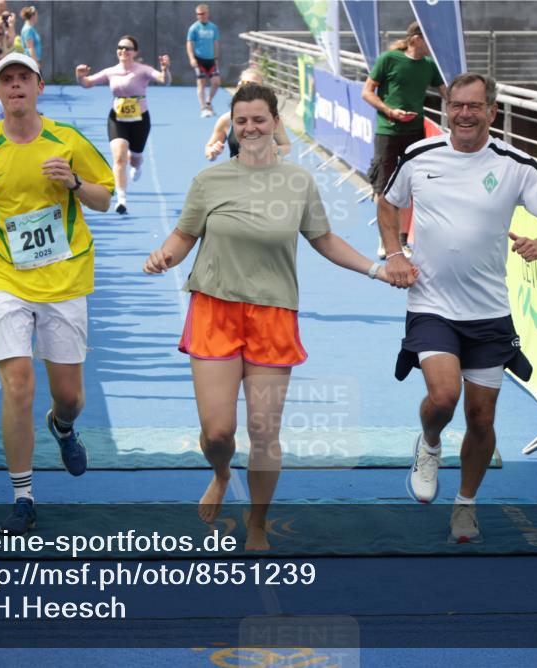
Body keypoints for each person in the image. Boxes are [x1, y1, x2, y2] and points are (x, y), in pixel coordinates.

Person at [143, 83, 412, 550]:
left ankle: (257, 523)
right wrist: (164, 256)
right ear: (232, 125)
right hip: (214, 309)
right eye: (241, 121)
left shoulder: (298, 182)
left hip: (273, 315)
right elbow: (183, 236)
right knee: (218, 433)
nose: (250, 128)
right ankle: (221, 474)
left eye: (258, 119)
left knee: (264, 431)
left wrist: (377, 268)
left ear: (274, 123)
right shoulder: (209, 181)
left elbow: (324, 239)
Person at [380, 73, 537, 543]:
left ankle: (465, 505)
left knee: (482, 418)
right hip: (431, 304)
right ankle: (430, 444)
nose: (464, 114)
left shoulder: (515, 164)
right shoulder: (419, 155)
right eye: (457, 105)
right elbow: (388, 204)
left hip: (489, 313)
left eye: (474, 106)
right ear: (446, 109)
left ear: (492, 111)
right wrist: (393, 253)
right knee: (444, 397)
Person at [0, 53, 115, 536]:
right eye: (7, 80)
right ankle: (22, 497)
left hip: (64, 276)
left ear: (38, 88)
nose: (15, 86)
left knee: (69, 396)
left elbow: (104, 197)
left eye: (23, 79)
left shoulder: (67, 141)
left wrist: (75, 183)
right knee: (17, 384)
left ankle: (63, 425)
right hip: (3, 275)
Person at [362, 21, 447, 259]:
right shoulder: (389, 59)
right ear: (415, 39)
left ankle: (402, 240)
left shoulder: (429, 66)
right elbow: (366, 92)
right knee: (384, 189)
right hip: (387, 133)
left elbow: (448, 94)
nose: (434, 44)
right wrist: (390, 111)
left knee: (411, 187)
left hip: (415, 134)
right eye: (429, 38)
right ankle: (385, 240)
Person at [75, 36, 170, 214]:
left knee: (135, 158)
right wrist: (80, 76)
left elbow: (164, 80)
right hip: (117, 119)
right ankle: (121, 199)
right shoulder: (111, 71)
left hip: (140, 120)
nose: (123, 51)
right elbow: (87, 83)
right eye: (120, 47)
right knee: (119, 157)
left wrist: (165, 70)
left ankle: (137, 164)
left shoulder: (143, 70)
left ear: (135, 52)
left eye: (127, 48)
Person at [204, 69, 290, 161]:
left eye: (255, 86)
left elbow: (286, 146)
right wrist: (213, 152)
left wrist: (277, 150)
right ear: (238, 88)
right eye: (244, 84)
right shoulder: (226, 120)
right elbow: (209, 150)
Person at [187, 4, 221, 117]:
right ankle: (203, 108)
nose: (200, 16)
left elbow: (215, 43)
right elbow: (189, 44)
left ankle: (208, 102)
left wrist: (216, 58)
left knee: (216, 82)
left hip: (211, 60)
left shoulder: (213, 27)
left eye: (202, 14)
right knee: (201, 82)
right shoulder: (194, 28)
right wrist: (192, 58)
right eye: (198, 14)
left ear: (207, 13)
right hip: (199, 60)